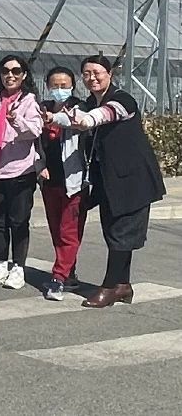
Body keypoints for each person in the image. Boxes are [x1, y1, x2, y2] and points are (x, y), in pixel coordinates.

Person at [72, 55, 167, 308]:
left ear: (110, 74)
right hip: (108, 181)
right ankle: (123, 285)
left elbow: (108, 113)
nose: (92, 78)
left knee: (122, 233)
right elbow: (75, 116)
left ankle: (108, 287)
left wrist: (88, 120)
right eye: (87, 74)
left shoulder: (123, 99)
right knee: (113, 232)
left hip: (133, 180)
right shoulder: (88, 103)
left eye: (97, 72)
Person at [0, 55, 43, 290]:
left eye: (16, 71)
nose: (10, 75)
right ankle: (0, 263)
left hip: (20, 171)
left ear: (24, 75)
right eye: (6, 71)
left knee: (18, 221)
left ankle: (18, 267)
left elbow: (35, 131)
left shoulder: (29, 101)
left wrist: (17, 121)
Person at [39, 66, 86, 301]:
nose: (59, 90)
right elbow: (36, 142)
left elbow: (76, 123)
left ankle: (58, 278)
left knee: (69, 231)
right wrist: (40, 166)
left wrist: (56, 118)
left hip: (73, 181)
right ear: (48, 86)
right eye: (55, 85)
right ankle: (69, 273)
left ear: (72, 86)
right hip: (49, 181)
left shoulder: (81, 109)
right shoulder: (42, 109)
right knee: (56, 230)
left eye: (64, 86)